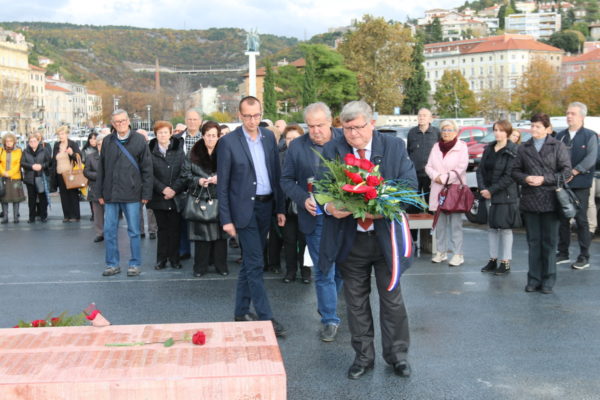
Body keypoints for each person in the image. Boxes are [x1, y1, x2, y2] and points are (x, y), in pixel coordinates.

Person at [318, 100, 416, 379]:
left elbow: (409, 185)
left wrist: (379, 204)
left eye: (358, 128)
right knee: (356, 302)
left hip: (386, 240)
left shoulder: (394, 147)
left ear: (371, 123)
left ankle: (397, 356)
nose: (352, 135)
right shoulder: (333, 149)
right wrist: (329, 208)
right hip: (352, 241)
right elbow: (321, 188)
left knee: (392, 300)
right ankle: (363, 357)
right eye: (346, 129)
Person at [217, 96, 287, 336]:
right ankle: (266, 317)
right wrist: (225, 219)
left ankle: (240, 311)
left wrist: (280, 209)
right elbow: (223, 184)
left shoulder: (269, 137)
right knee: (256, 262)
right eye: (247, 116)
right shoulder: (228, 142)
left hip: (267, 208)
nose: (252, 120)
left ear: (261, 113)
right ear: (239, 115)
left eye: (256, 115)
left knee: (249, 263)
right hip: (243, 211)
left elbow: (276, 174)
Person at [281, 102, 343, 342]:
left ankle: (328, 303)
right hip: (314, 218)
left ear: (330, 122)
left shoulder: (344, 141)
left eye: (320, 125)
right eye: (311, 126)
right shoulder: (297, 146)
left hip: (343, 218)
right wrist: (302, 198)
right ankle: (329, 318)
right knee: (325, 269)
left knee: (342, 269)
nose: (315, 130)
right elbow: (286, 180)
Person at [512, 113, 571, 294]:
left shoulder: (557, 146)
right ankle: (533, 279)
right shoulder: (524, 147)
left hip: (551, 199)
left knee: (549, 242)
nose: (534, 129)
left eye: (538, 126)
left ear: (547, 129)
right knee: (533, 242)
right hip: (530, 200)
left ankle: (548, 280)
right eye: (532, 126)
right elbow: (514, 171)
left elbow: (566, 171)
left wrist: (544, 179)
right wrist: (527, 177)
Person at [97, 109, 153, 277]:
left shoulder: (139, 140)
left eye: (122, 121)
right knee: (109, 231)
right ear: (113, 124)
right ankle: (112, 264)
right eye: (116, 122)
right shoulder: (107, 141)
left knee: (134, 231)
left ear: (128, 121)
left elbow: (147, 169)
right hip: (111, 194)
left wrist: (146, 194)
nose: (120, 124)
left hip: (132, 194)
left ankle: (135, 263)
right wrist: (99, 192)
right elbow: (102, 169)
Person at [555, 102, 598, 270]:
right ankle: (563, 253)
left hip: (580, 184)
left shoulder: (590, 136)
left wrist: (574, 171)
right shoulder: (560, 136)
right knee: (562, 219)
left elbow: (591, 158)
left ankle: (584, 256)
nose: (568, 116)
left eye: (572, 113)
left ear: (581, 116)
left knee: (581, 220)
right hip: (562, 185)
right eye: (567, 113)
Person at [184, 121, 229, 277]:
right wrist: (198, 181)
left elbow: (234, 173)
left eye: (214, 136)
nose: (211, 139)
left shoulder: (225, 152)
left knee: (221, 235)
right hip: (201, 197)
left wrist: (220, 178)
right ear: (202, 136)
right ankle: (200, 267)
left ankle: (220, 265)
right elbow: (185, 176)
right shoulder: (192, 153)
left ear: (218, 136)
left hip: (221, 197)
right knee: (201, 234)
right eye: (208, 135)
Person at [476, 120, 519, 275]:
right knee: (492, 228)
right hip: (488, 193)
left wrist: (491, 190)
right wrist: (483, 189)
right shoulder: (489, 148)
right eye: (495, 130)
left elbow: (510, 175)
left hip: (505, 194)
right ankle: (493, 259)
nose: (497, 133)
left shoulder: (513, 150)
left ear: (507, 132)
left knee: (505, 228)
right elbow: (480, 170)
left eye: (501, 130)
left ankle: (505, 262)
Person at [425, 119, 469, 266]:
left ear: (456, 132)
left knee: (456, 224)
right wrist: (435, 176)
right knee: (440, 223)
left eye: (450, 130)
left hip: (454, 190)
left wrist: (443, 178)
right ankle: (441, 252)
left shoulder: (462, 147)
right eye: (444, 129)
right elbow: (428, 166)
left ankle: (458, 254)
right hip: (438, 189)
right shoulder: (436, 146)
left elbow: (461, 167)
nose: (446, 132)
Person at [147, 121, 186, 271]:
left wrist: (174, 189)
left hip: (176, 195)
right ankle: (161, 259)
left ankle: (175, 259)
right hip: (158, 196)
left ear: (171, 133)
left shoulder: (179, 149)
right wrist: (163, 189)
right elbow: (149, 173)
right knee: (162, 229)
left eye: (165, 132)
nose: (162, 135)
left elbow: (184, 172)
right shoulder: (149, 150)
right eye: (159, 133)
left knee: (175, 229)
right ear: (155, 135)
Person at [279, 125, 308, 284]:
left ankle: (305, 272)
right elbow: (278, 185)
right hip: (287, 206)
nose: (291, 141)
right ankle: (290, 271)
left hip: (306, 205)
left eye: (295, 138)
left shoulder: (308, 155)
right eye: (288, 138)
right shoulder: (280, 157)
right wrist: (280, 210)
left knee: (305, 240)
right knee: (289, 241)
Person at [174, 109, 203, 260]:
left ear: (200, 121)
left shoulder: (205, 139)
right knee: (181, 220)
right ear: (185, 121)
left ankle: (201, 254)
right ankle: (184, 250)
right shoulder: (176, 139)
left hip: (200, 184)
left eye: (195, 119)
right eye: (189, 119)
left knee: (200, 219)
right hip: (180, 184)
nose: (192, 122)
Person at [407, 108, 440, 204]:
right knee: (413, 205)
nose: (421, 117)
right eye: (420, 115)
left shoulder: (436, 132)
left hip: (431, 174)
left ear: (430, 119)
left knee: (431, 204)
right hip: (415, 173)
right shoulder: (412, 132)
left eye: (424, 115)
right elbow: (409, 151)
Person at [51, 125, 82, 222]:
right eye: (59, 134)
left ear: (67, 134)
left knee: (73, 195)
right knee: (63, 195)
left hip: (70, 173)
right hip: (60, 173)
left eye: (63, 134)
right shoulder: (56, 145)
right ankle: (67, 215)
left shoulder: (73, 144)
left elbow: (79, 157)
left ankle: (75, 215)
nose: (61, 136)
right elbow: (54, 160)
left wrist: (71, 153)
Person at [21, 133, 51, 223]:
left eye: (34, 141)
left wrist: (41, 166)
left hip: (41, 176)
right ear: (28, 142)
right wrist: (31, 166)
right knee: (31, 199)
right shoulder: (25, 151)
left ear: (38, 141)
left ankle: (43, 216)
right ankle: (31, 217)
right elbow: (22, 163)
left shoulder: (44, 150)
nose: (33, 143)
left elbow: (49, 162)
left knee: (42, 198)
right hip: (30, 178)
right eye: (31, 141)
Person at [84, 133, 105, 242]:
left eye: (102, 144)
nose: (100, 146)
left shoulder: (113, 156)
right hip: (95, 187)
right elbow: (86, 172)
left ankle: (111, 232)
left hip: (110, 189)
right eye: (98, 144)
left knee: (111, 213)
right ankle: (100, 233)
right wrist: (98, 176)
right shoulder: (90, 157)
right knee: (97, 213)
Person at [0, 133, 26, 223]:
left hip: (16, 178)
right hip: (3, 178)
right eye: (7, 141)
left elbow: (18, 164)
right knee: (4, 198)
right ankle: (5, 217)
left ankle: (15, 217)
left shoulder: (18, 151)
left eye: (10, 141)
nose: (9, 143)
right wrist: (3, 172)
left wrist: (9, 173)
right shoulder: (1, 150)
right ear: (4, 142)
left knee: (16, 198)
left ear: (14, 142)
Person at [82, 132, 99, 221]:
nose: (92, 140)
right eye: (90, 138)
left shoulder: (101, 150)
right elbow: (84, 165)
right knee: (91, 196)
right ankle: (93, 213)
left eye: (94, 138)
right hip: (91, 177)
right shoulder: (85, 151)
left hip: (97, 176)